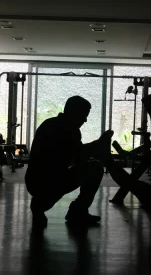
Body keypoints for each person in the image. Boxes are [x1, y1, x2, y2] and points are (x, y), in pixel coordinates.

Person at [25, 96, 113, 228]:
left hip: (36, 180)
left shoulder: (51, 124)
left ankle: (41, 205)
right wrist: (96, 146)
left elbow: (76, 156)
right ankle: (76, 211)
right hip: (49, 181)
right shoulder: (67, 130)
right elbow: (77, 156)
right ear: (74, 113)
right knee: (95, 168)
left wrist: (92, 148)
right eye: (84, 115)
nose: (85, 120)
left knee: (91, 167)